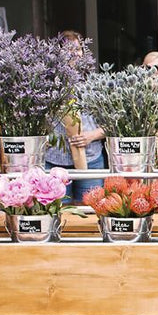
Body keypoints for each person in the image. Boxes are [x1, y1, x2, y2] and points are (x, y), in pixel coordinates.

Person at [46, 31, 105, 203]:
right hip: (54, 161)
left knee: (91, 212)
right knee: (58, 213)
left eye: (78, 49)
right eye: (68, 49)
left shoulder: (95, 84)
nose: (74, 53)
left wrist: (91, 136)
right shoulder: (47, 85)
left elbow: (112, 123)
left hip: (91, 158)